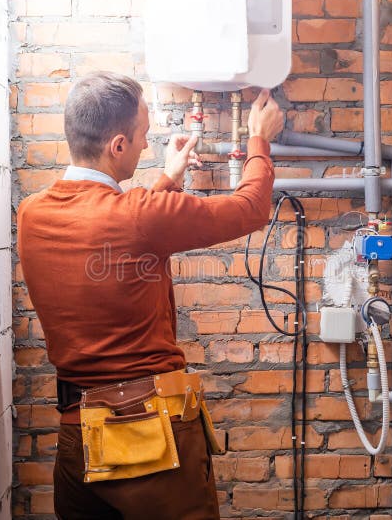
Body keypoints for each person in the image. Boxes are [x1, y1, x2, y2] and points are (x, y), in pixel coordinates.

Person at [16, 71, 284, 519]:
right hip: (149, 441)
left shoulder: (32, 214)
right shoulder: (139, 213)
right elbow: (250, 208)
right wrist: (259, 139)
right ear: (117, 145)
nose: (145, 146)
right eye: (141, 135)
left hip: (76, 440)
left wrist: (167, 178)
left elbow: (113, 233)